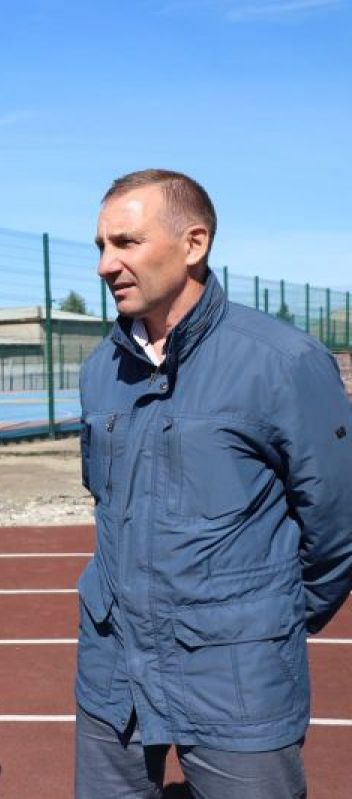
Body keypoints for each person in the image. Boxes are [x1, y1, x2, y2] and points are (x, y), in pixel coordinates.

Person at [75, 168, 352, 798]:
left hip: (237, 678)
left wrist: (262, 621)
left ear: (194, 244)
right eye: (101, 246)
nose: (106, 265)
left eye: (126, 242)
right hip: (112, 672)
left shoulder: (282, 362)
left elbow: (338, 524)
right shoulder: (100, 370)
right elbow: (107, 504)